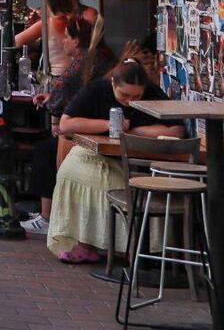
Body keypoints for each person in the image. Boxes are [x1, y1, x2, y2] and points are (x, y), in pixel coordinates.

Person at [47, 59, 181, 263]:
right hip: (98, 154)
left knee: (112, 179)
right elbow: (66, 124)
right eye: (124, 95)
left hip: (136, 161)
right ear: (113, 84)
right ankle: (84, 242)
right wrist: (109, 124)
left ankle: (132, 247)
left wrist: (133, 129)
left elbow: (176, 130)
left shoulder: (153, 94)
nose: (129, 101)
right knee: (73, 169)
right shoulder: (96, 90)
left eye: (136, 96)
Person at [19, 17, 115, 235]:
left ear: (75, 40)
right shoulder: (103, 55)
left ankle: (47, 215)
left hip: (87, 132)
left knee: (44, 150)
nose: (63, 42)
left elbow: (60, 98)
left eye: (66, 38)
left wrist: (51, 100)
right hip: (97, 126)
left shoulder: (83, 61)